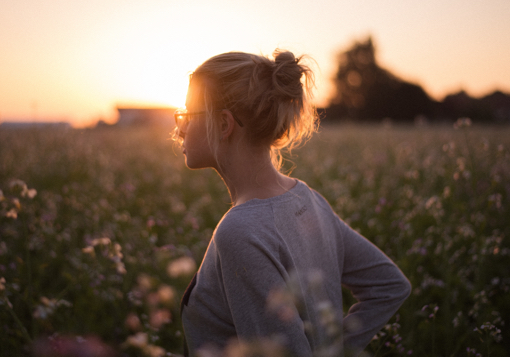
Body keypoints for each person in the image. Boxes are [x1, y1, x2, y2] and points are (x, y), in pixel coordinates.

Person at [174, 50, 411, 357]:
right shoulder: (308, 199)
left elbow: (390, 287)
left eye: (188, 115)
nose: (179, 128)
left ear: (223, 124)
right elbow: (390, 286)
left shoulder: (240, 232)